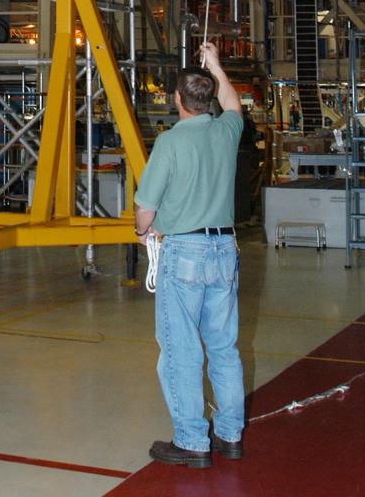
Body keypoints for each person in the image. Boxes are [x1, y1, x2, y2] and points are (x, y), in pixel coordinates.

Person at [134, 41, 244, 470]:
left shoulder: (170, 142)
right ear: (208, 97)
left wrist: (143, 230)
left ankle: (193, 440)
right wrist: (216, 65)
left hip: (184, 253)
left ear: (177, 100)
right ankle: (231, 435)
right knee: (224, 348)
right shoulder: (227, 132)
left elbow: (146, 208)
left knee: (181, 351)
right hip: (223, 250)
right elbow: (232, 102)